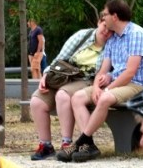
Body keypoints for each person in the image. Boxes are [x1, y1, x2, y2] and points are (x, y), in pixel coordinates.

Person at [66, 0, 143, 163]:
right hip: (118, 84)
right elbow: (103, 70)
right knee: (77, 97)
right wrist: (96, 87)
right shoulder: (113, 39)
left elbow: (130, 73)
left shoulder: (137, 34)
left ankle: (81, 141)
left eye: (105, 14)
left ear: (115, 16)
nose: (103, 18)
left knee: (105, 98)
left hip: (138, 85)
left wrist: (106, 90)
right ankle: (88, 145)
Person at [29, 14, 111, 160]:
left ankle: (66, 144)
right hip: (64, 76)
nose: (107, 31)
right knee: (37, 102)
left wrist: (107, 77)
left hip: (87, 80)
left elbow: (115, 69)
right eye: (105, 26)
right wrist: (46, 75)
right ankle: (46, 146)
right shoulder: (82, 36)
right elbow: (60, 58)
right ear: (99, 22)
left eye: (111, 30)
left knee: (63, 95)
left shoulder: (113, 45)